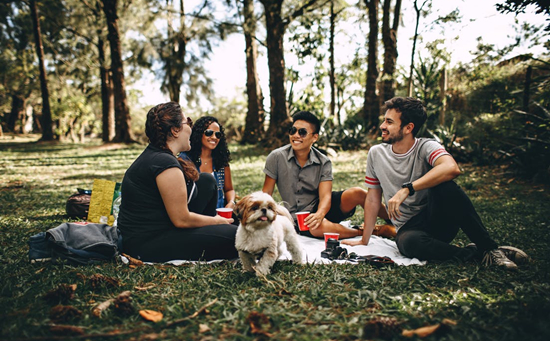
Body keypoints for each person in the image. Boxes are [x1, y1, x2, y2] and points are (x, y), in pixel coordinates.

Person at [342, 96, 528, 270]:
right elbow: (373, 199)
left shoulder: (426, 146)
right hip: (409, 229)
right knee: (408, 244)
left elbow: (451, 168)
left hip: (438, 219)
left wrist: (408, 189)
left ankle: (490, 248)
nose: (382, 126)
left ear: (408, 128)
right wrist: (364, 240)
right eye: (384, 120)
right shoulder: (376, 153)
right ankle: (478, 253)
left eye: (389, 122)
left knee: (445, 185)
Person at [117, 102, 238, 262]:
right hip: (148, 242)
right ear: (175, 130)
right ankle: (217, 231)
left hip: (163, 227)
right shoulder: (164, 163)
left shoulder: (160, 156)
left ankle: (215, 230)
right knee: (239, 237)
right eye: (188, 121)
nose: (191, 127)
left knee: (206, 181)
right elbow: (181, 219)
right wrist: (217, 221)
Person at [262, 110, 393, 239]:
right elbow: (266, 193)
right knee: (316, 227)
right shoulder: (276, 157)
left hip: (322, 207)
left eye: (302, 132)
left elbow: (325, 197)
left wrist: (319, 214)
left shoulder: (323, 161)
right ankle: (371, 231)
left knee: (357, 193)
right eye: (293, 131)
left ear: (314, 137)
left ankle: (395, 219)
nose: (296, 135)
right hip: (298, 218)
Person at [181, 116, 236, 210]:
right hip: (194, 214)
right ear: (198, 134)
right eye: (209, 133)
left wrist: (231, 202)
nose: (214, 137)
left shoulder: (221, 161)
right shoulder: (185, 159)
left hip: (219, 213)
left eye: (218, 135)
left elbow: (229, 189)